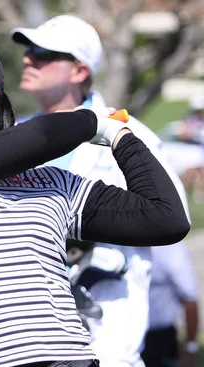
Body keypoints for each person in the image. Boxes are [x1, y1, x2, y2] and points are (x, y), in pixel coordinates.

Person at [0, 29, 189, 367]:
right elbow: (39, 136)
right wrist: (89, 120)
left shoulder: (48, 181)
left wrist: (120, 136)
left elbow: (166, 218)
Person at [10, 15, 191, 367]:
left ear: (79, 71)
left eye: (43, 53)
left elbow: (171, 216)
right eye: (28, 50)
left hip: (106, 341)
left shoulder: (132, 135)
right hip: (29, 338)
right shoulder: (14, 136)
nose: (28, 59)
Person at [141, 242, 200, 367]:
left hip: (159, 339)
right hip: (122, 336)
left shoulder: (170, 249)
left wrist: (190, 349)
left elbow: (190, 300)